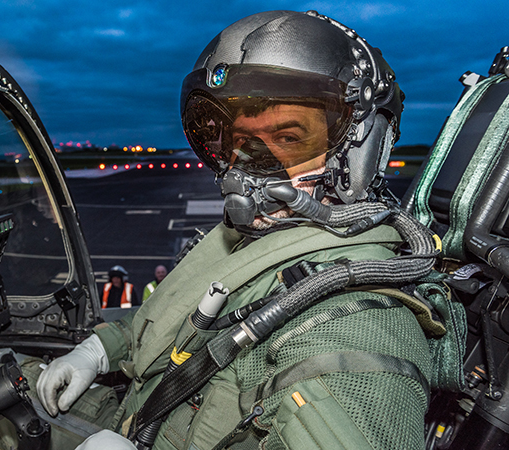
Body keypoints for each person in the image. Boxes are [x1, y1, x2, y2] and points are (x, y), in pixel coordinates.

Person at [36, 10, 463, 450]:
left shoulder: (356, 326)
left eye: (289, 138)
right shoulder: (261, 240)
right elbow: (180, 321)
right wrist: (102, 348)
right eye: (240, 142)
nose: (247, 170)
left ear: (359, 151)